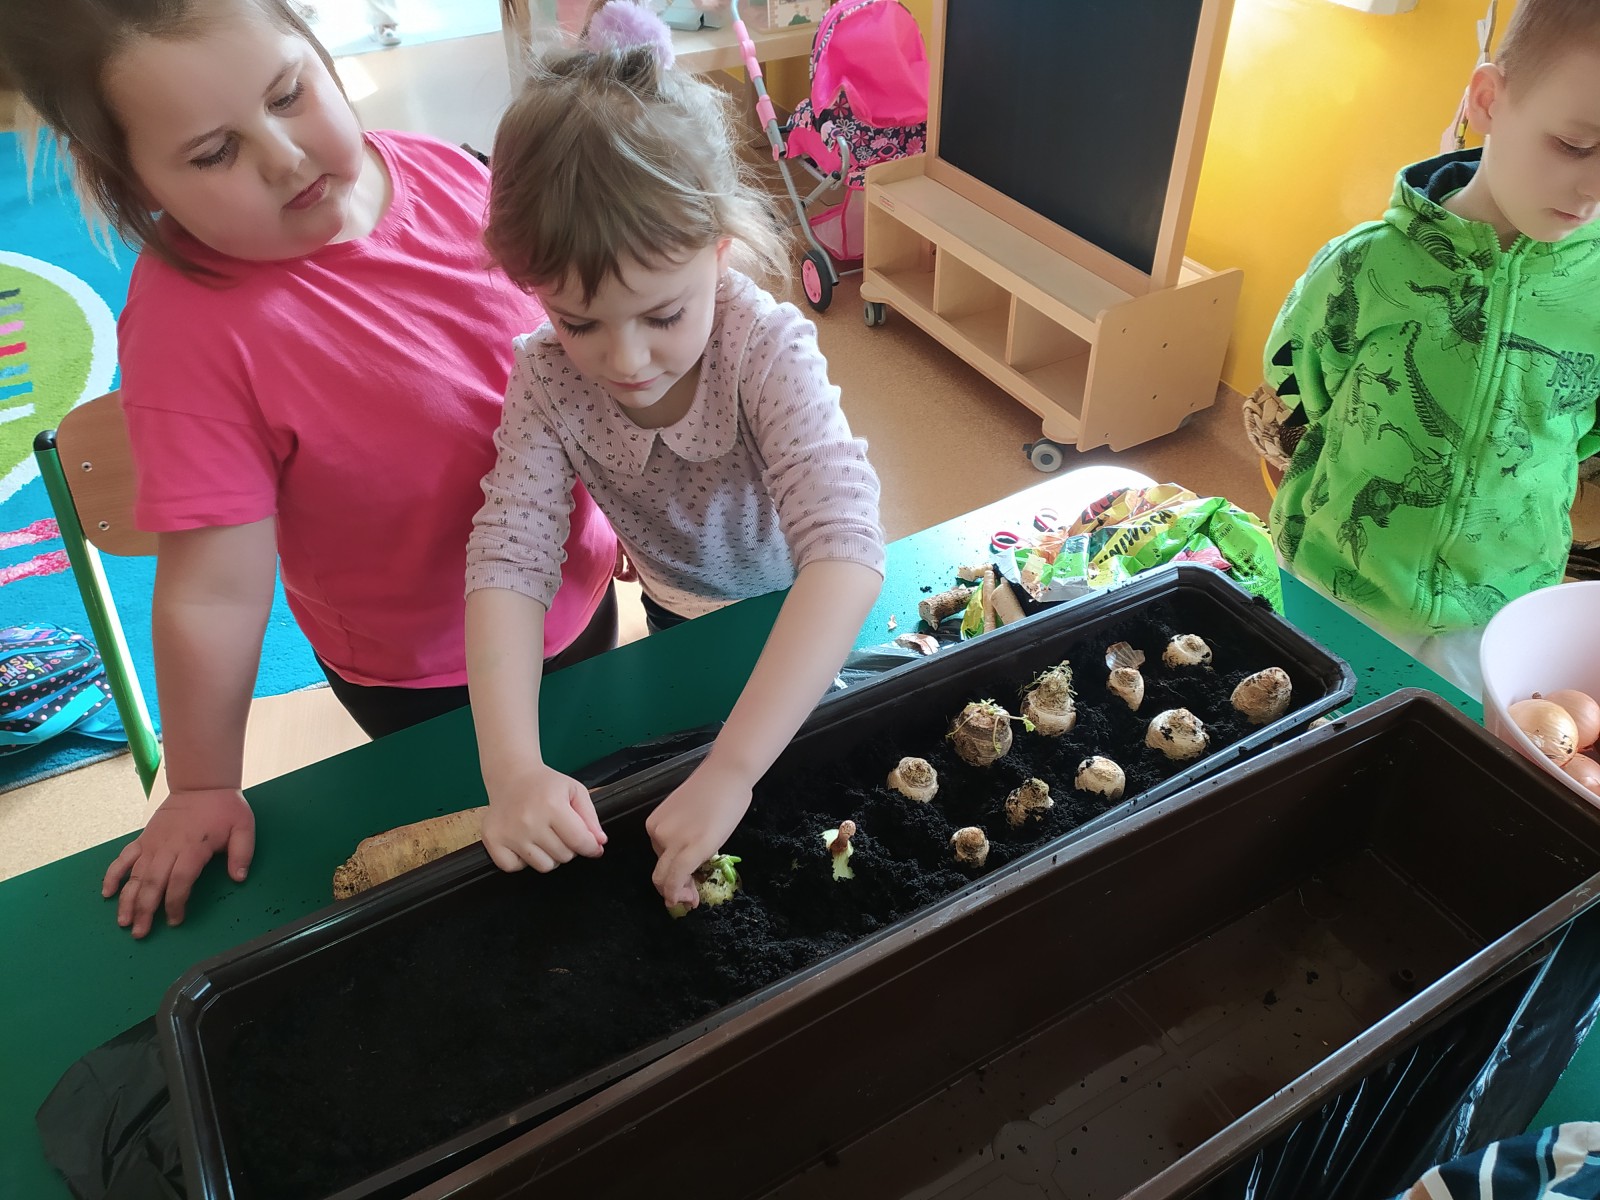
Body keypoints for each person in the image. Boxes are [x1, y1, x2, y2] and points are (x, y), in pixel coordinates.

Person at [0, 0, 617, 937]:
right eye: (215, 153)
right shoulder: (193, 328)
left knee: (605, 792)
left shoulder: (449, 172)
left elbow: (562, 363)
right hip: (430, 675)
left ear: (321, 52)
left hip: (578, 593)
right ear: (134, 180)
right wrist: (202, 785)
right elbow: (213, 591)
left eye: (289, 93)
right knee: (513, 879)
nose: (286, 158)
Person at [464, 0, 886, 911]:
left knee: (811, 796)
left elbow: (846, 547)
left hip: (797, 614)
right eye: (578, 321)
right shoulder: (544, 376)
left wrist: (733, 769)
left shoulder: (761, 344)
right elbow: (509, 556)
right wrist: (512, 768)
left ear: (719, 250)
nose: (625, 359)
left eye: (662, 314)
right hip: (675, 610)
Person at [1244, 0, 1600, 700]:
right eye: (1574, 145)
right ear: (1488, 100)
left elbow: (1583, 428)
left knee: (1445, 751)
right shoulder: (1363, 265)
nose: (1593, 188)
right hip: (1335, 579)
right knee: (1309, 731)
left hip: (1502, 606)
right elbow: (1301, 379)